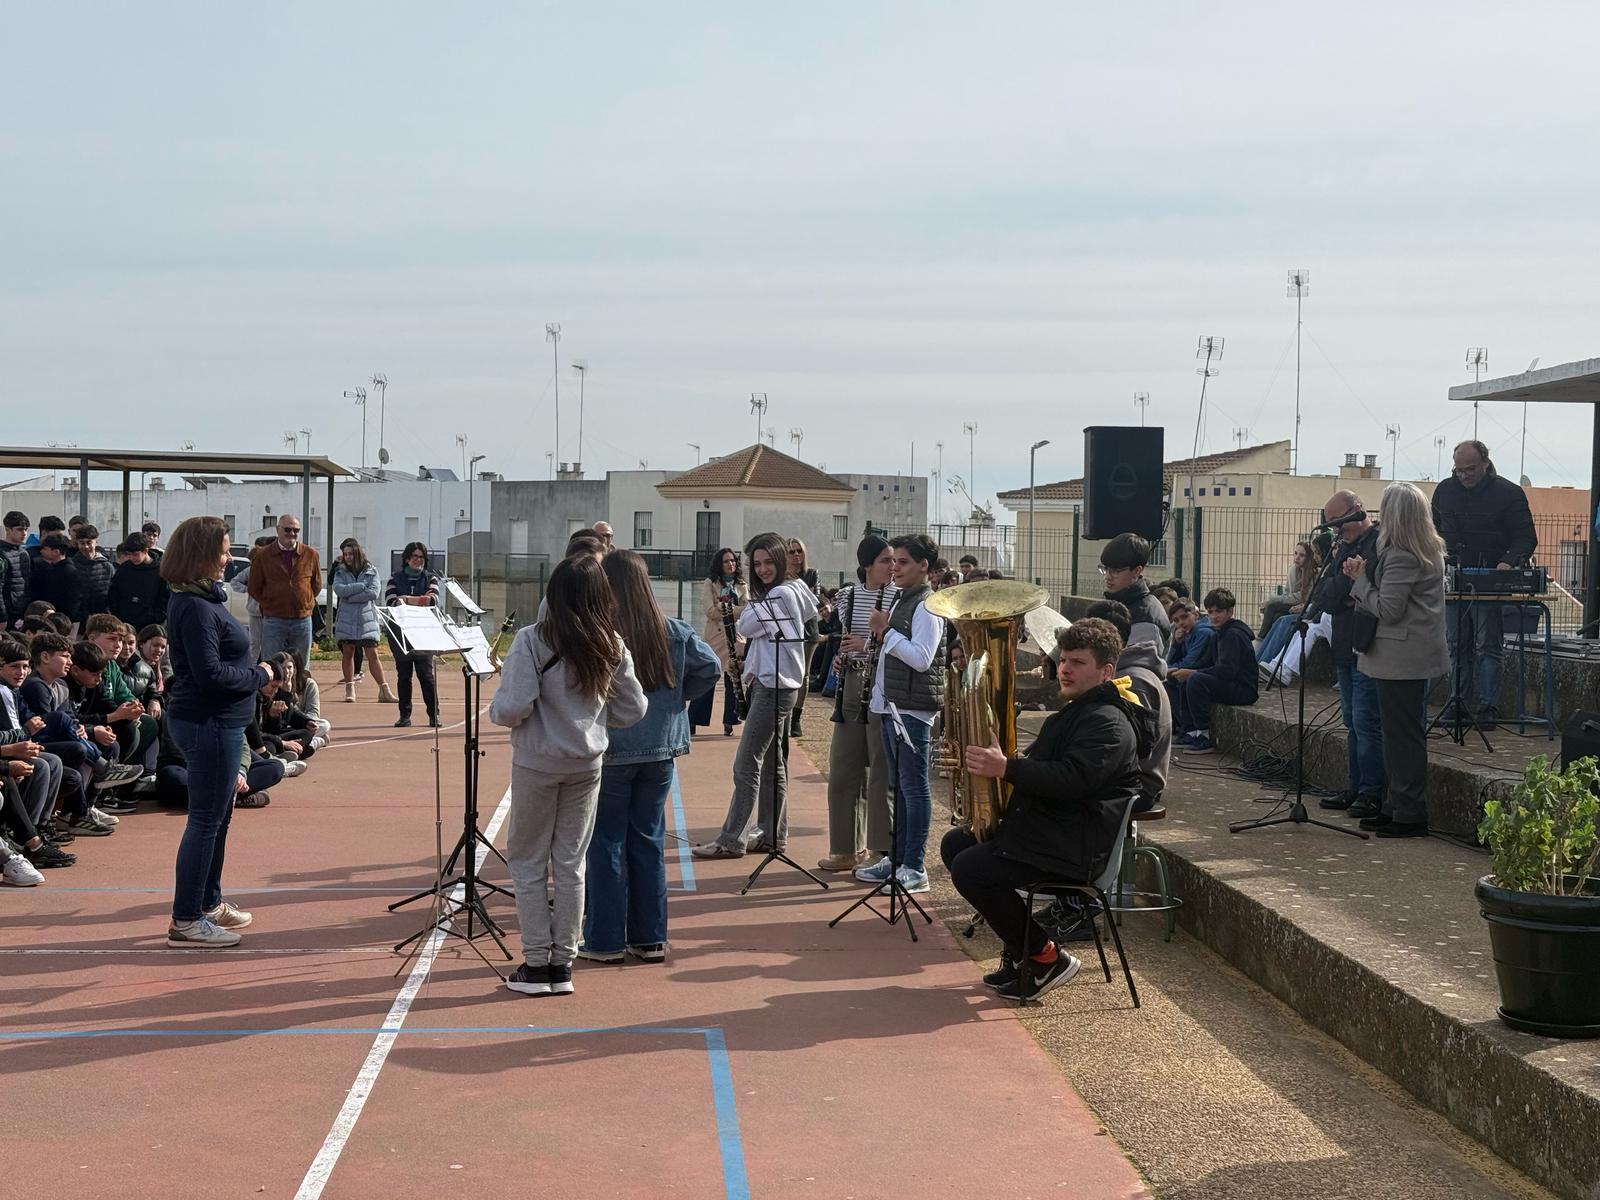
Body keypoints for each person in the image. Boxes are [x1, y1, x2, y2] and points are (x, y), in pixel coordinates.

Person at [942, 618, 1154, 1001]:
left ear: (1106, 672)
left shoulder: (1109, 723)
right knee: (957, 843)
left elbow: (1073, 780)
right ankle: (1022, 955)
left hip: (1074, 847)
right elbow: (1049, 770)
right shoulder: (1080, 712)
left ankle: (1046, 957)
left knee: (971, 868)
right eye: (1064, 660)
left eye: (1078, 662)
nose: (1065, 669)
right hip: (1054, 831)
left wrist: (1006, 768)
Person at [490, 555, 646, 997]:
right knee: (571, 863)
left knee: (527, 861)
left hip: (538, 762)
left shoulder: (532, 639)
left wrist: (497, 709)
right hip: (587, 764)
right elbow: (634, 707)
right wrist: (596, 722)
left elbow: (514, 706)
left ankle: (537, 963)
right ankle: (563, 964)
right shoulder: (611, 643)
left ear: (553, 595)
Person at [581, 550, 718, 963]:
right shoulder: (673, 630)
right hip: (659, 749)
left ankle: (605, 940)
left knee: (606, 842)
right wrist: (677, 700)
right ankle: (650, 938)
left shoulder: (601, 632)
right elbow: (711, 667)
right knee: (648, 838)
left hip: (613, 749)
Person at [160, 515, 275, 948]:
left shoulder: (202, 599)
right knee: (206, 821)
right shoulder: (194, 606)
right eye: (224, 551)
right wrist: (259, 675)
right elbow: (210, 674)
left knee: (218, 817)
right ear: (202, 554)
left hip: (220, 722)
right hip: (207, 723)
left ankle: (207, 902)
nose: (229, 559)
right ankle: (186, 918)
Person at [692, 533, 818, 860]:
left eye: (768, 562)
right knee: (773, 763)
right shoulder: (796, 588)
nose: (762, 570)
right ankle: (773, 834)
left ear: (780, 560)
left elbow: (746, 624)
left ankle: (731, 839)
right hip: (779, 682)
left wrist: (751, 618)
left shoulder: (778, 594)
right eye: (756, 564)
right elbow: (803, 614)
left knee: (746, 763)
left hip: (774, 686)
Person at [1345, 482, 1450, 838]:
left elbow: (1389, 609)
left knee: (1402, 737)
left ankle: (1409, 812)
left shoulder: (1403, 555)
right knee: (1398, 734)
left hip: (1401, 658)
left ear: (1395, 515)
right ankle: (1395, 805)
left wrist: (1360, 582)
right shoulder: (1425, 550)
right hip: (1409, 655)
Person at [855, 533, 947, 894]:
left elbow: (922, 658)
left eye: (904, 562)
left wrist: (885, 631)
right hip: (893, 705)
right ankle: (897, 858)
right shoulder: (902, 599)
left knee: (914, 788)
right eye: (893, 561)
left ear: (924, 566)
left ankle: (915, 866)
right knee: (901, 788)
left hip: (913, 710)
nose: (895, 568)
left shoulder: (927, 606)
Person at [1430, 439, 1538, 728]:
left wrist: (1508, 562)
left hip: (1490, 580)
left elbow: (1525, 537)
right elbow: (1432, 530)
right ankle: (1458, 703)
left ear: (1485, 464)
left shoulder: (1509, 493)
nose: (1463, 475)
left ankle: (1488, 707)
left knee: (1487, 645)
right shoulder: (1445, 491)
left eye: (1470, 469)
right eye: (1458, 470)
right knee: (1456, 645)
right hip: (1453, 580)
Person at [820, 535, 899, 871]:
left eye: (894, 560)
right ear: (867, 565)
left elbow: (898, 643)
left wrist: (865, 644)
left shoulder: (899, 597)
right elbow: (844, 638)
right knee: (843, 767)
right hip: (852, 683)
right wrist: (842, 658)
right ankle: (845, 849)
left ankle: (880, 850)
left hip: (882, 685)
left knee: (880, 770)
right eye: (885, 560)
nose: (892, 567)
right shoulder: (847, 596)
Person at [1310, 490, 1387, 818]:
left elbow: (1366, 589)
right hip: (1343, 645)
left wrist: (1347, 591)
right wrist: (1346, 592)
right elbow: (1325, 596)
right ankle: (1356, 786)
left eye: (1338, 520)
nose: (1335, 528)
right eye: (1330, 523)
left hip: (1367, 646)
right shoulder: (1341, 548)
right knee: (1351, 721)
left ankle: (1371, 791)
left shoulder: (1377, 544)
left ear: (1356, 511)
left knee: (1366, 721)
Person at [1083, 600, 1171, 813]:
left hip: (1137, 787)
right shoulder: (1121, 671)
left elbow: (1124, 749)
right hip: (1124, 778)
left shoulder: (1134, 681)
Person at [1171, 588, 1257, 752]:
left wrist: (1194, 673)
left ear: (1230, 612)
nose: (1214, 616)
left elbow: (1227, 670)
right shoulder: (1219, 633)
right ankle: (1189, 732)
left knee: (1195, 680)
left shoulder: (1233, 634)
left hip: (1243, 689)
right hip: (1229, 683)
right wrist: (1183, 666)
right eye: (1210, 612)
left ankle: (1204, 735)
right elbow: (1206, 663)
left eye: (1219, 611)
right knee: (1186, 679)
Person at [689, 548, 747, 737]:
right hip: (716, 635)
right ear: (719, 564)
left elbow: (747, 610)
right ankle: (694, 719)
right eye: (726, 561)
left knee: (733, 677)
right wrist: (733, 609)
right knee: (709, 675)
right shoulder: (710, 583)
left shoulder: (742, 585)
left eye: (733, 560)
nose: (731, 564)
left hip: (736, 635)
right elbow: (710, 611)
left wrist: (724, 607)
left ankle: (730, 720)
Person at [247, 514, 321, 662]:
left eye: (296, 530)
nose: (292, 534)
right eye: (287, 529)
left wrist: (304, 602)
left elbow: (316, 585)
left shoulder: (311, 554)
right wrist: (270, 603)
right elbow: (254, 587)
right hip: (274, 620)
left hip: (302, 620)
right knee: (272, 665)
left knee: (301, 666)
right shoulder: (262, 556)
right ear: (278, 529)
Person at [385, 541, 442, 728]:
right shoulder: (395, 578)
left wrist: (406, 599)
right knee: (404, 675)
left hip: (423, 633)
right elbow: (391, 601)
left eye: (421, 557)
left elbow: (432, 600)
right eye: (415, 557)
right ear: (407, 559)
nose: (418, 560)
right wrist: (418, 600)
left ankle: (434, 715)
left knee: (426, 675)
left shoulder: (431, 579)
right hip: (400, 633)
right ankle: (404, 716)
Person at [331, 538, 394, 704]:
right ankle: (350, 688)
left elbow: (374, 593)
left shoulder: (371, 570)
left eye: (350, 554)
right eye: (345, 554)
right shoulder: (340, 571)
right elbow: (339, 590)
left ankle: (384, 690)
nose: (347, 557)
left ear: (357, 553)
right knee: (348, 653)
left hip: (367, 619)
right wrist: (360, 586)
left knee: (372, 654)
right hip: (346, 619)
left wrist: (350, 596)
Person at [1099, 533, 1171, 654]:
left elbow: (1137, 663)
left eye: (1116, 571)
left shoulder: (1146, 618)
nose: (1107, 576)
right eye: (1105, 569)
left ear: (1137, 571)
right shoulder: (1115, 603)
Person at [785, 538, 823, 737]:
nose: (796, 555)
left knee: (804, 675)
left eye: (799, 551)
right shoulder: (780, 576)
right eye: (791, 551)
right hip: (788, 630)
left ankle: (796, 719)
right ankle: (785, 715)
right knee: (787, 673)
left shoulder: (811, 574)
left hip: (808, 630)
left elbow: (813, 600)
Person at [1256, 540, 1318, 663]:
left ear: (1308, 558)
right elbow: (1287, 594)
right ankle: (1263, 656)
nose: (1297, 557)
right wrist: (1276, 600)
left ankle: (1259, 643)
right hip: (1291, 605)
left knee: (1272, 607)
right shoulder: (1293, 570)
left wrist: (1272, 600)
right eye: (1295, 553)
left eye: (1302, 555)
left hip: (1303, 607)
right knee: (1275, 616)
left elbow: (1302, 597)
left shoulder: (1314, 573)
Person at [106, 532, 169, 630]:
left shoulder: (160, 571)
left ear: (145, 551)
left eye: (135, 554)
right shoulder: (124, 569)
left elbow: (165, 599)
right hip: (126, 624)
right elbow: (114, 594)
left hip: (151, 625)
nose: (132, 558)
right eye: (129, 554)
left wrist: (156, 617)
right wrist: (118, 616)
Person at [68, 524, 115, 626]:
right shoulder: (71, 565)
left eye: (89, 543)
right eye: (82, 543)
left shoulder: (107, 566)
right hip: (77, 620)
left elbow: (113, 593)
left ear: (96, 542)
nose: (86, 546)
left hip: (102, 618)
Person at [30, 533, 81, 621]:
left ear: (56, 552)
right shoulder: (49, 568)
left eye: (45, 549)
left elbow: (73, 600)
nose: (41, 551)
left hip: (61, 619)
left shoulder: (69, 572)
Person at [1, 511, 32, 631]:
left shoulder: (24, 553)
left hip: (23, 611)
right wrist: (2, 617)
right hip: (8, 612)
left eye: (25, 529)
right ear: (8, 530)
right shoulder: (2, 554)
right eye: (19, 529)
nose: (24, 533)